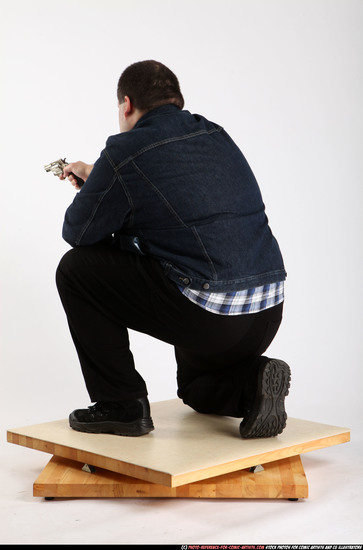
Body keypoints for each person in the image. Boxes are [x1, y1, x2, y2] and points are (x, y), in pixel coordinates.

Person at [56, 60, 290, 440]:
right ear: (176, 101)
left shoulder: (124, 151)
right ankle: (253, 383)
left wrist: (103, 179)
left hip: (208, 314)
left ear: (126, 104)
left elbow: (78, 232)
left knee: (76, 270)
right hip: (266, 311)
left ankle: (122, 404)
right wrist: (104, 176)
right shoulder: (215, 134)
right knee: (195, 387)